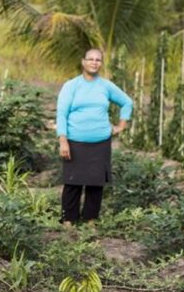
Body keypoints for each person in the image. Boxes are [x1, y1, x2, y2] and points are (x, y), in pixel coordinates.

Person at [56, 48, 133, 225]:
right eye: (90, 59)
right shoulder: (71, 86)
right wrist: (63, 140)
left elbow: (127, 102)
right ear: (83, 62)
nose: (94, 62)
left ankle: (90, 220)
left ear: (101, 63)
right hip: (75, 141)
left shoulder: (106, 86)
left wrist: (121, 125)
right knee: (72, 183)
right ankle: (68, 220)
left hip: (101, 142)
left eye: (98, 60)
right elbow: (61, 114)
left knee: (95, 183)